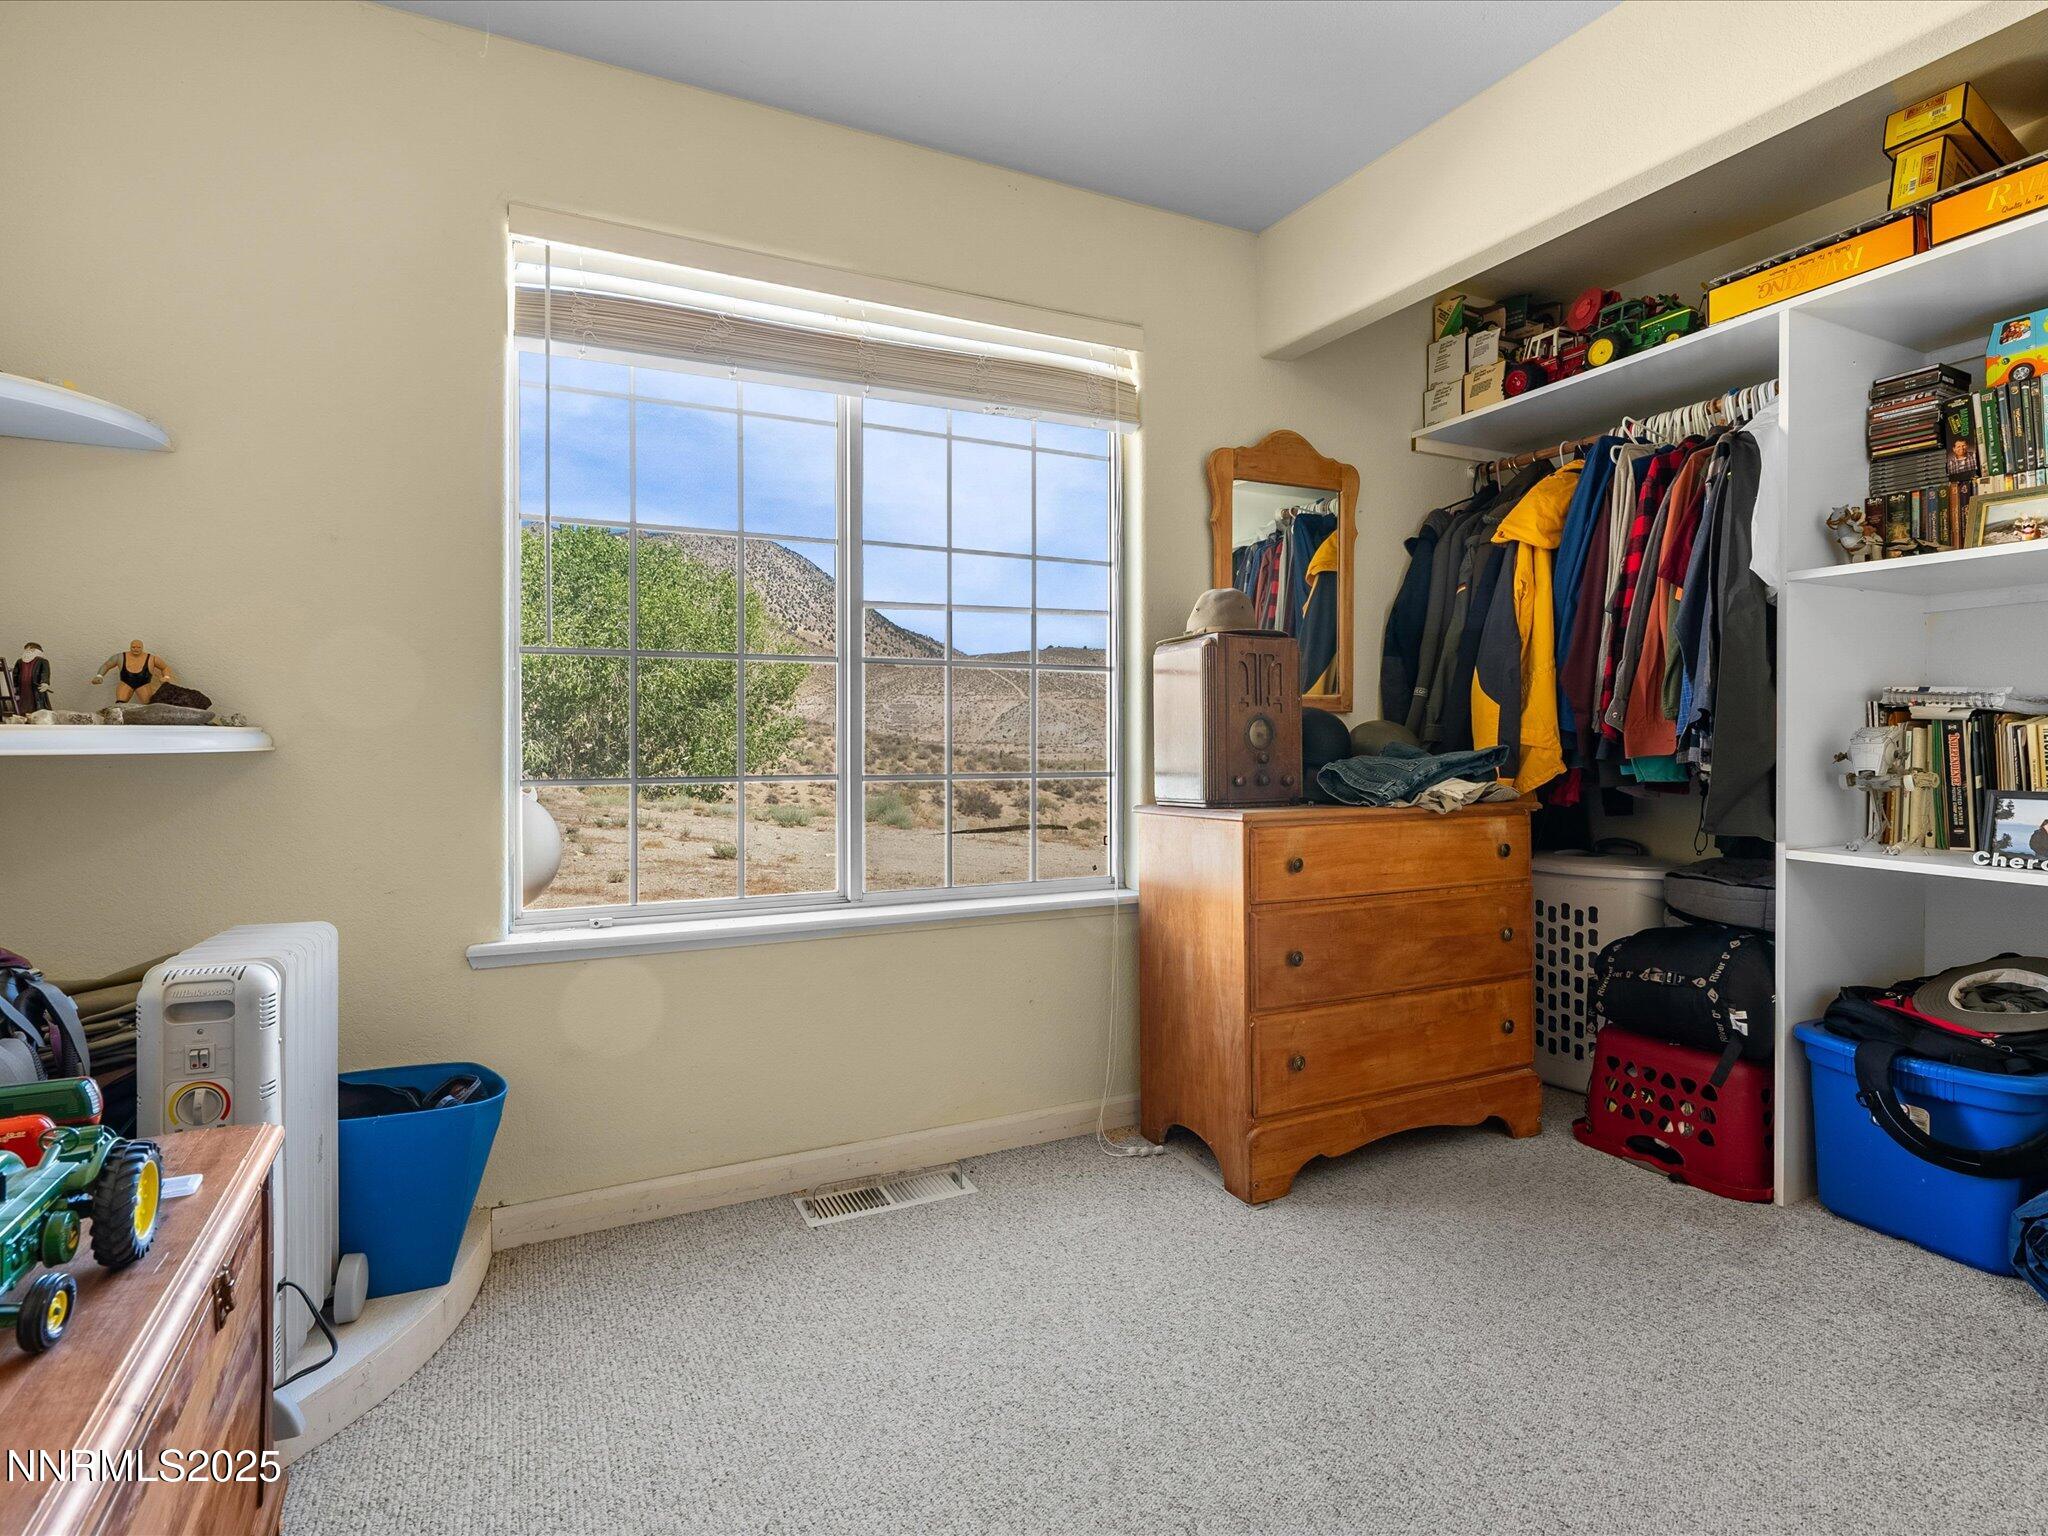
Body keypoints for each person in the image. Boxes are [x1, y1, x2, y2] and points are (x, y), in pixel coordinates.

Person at [90, 641, 174, 704]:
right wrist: (99, 676)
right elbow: (106, 665)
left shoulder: (151, 658)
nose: (136, 649)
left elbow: (165, 667)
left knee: (149, 705)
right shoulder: (120, 657)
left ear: (142, 648)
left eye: (138, 647)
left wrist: (166, 677)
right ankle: (119, 723)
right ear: (130, 647)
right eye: (133, 647)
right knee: (120, 704)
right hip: (126, 683)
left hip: (144, 684)